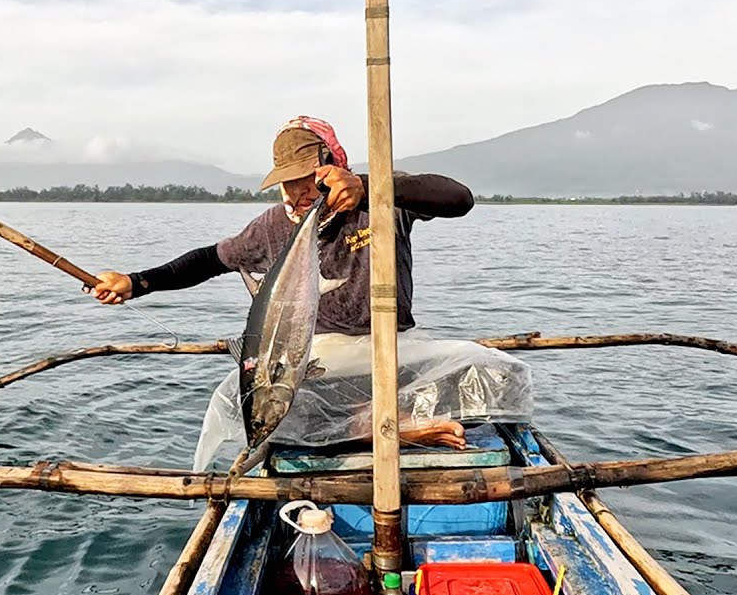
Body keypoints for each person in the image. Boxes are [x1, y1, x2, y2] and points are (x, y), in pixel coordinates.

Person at [90, 115, 477, 450]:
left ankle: (373, 426)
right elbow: (209, 260)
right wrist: (137, 282)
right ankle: (388, 426)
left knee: (495, 375)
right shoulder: (272, 227)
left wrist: (369, 188)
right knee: (261, 407)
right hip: (320, 361)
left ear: (331, 164)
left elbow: (460, 199)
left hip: (393, 348)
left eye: (306, 178)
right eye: (288, 182)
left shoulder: (378, 195)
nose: (298, 192)